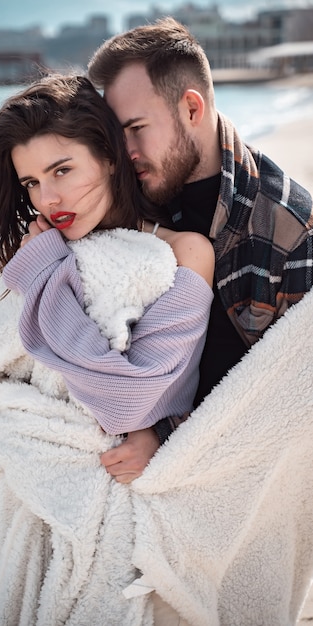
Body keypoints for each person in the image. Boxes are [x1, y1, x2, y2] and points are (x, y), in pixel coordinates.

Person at [0, 73, 214, 625]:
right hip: (32, 493)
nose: (48, 198)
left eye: (62, 170)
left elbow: (132, 403)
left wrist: (47, 272)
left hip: (130, 504)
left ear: (111, 157)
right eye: (31, 183)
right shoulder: (32, 256)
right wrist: (43, 266)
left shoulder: (185, 253)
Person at [87, 16, 313, 480]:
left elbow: (287, 411)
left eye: (136, 127)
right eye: (116, 135)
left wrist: (162, 435)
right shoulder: (122, 198)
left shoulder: (292, 229)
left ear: (192, 108)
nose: (123, 152)